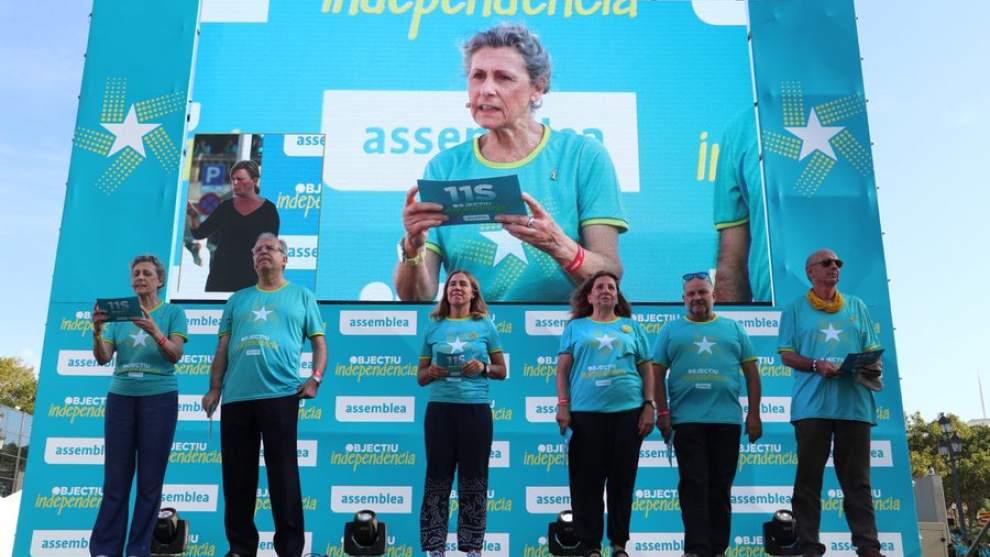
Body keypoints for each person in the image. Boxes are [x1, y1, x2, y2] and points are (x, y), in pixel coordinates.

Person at [395, 22, 627, 303]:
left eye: (503, 78)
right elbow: (417, 297)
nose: (486, 89)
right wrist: (412, 247)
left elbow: (610, 274)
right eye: (478, 76)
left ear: (537, 87)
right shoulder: (444, 167)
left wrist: (561, 247)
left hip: (562, 328)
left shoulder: (582, 156)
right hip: (473, 329)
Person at [201, 233, 327, 557]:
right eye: (257, 249)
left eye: (270, 248)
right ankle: (241, 548)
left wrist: (314, 379)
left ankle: (290, 549)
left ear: (285, 258)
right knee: (237, 477)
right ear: (252, 259)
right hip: (237, 398)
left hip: (280, 395)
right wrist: (215, 387)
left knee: (283, 476)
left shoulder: (302, 296)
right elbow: (222, 347)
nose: (263, 252)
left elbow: (319, 344)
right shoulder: (237, 299)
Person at [778, 249, 884, 557]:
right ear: (810, 272)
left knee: (858, 482)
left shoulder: (857, 306)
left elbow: (872, 349)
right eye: (827, 263)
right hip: (812, 407)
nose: (834, 267)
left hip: (855, 406)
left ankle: (868, 547)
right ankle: (809, 545)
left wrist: (872, 364)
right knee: (808, 480)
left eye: (838, 263)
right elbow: (787, 355)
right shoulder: (794, 308)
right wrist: (815, 364)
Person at [653, 271, 763, 557]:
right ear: (683, 299)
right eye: (691, 294)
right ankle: (696, 548)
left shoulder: (734, 328)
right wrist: (662, 411)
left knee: (720, 486)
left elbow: (752, 372)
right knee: (694, 484)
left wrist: (754, 414)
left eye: (702, 292)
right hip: (686, 421)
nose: (697, 298)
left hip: (727, 420)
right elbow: (656, 373)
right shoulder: (670, 330)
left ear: (714, 296)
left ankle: (717, 548)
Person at [89, 254, 188, 557]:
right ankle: (105, 549)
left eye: (146, 273)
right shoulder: (117, 316)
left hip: (159, 397)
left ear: (160, 280)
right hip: (121, 397)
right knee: (115, 481)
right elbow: (103, 357)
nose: (140, 278)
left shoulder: (173, 312)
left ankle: (138, 550)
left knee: (149, 482)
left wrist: (154, 331)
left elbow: (175, 355)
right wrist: (97, 330)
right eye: (136, 274)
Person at [555, 271, 655, 557]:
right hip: (586, 416)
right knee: (586, 482)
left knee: (622, 481)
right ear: (589, 296)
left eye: (611, 287)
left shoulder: (631, 327)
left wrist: (649, 405)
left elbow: (646, 369)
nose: (606, 291)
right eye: (599, 287)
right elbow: (562, 370)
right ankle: (591, 546)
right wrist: (563, 404)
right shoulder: (575, 328)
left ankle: (619, 544)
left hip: (628, 414)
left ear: (617, 295)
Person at [416, 270, 507, 557]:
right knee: (437, 478)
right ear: (446, 292)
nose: (457, 287)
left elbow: (502, 370)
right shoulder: (433, 327)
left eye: (463, 284)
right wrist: (431, 371)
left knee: (474, 478)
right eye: (452, 284)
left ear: (473, 292)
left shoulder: (485, 326)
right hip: (440, 411)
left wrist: (483, 367)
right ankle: (434, 547)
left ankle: (472, 547)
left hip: (475, 411)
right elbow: (420, 377)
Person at [187, 159, 280, 292]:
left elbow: (270, 246)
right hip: (221, 276)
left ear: (254, 181)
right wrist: (193, 216)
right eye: (233, 179)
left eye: (240, 179)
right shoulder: (225, 207)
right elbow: (199, 233)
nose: (235, 183)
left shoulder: (268, 209)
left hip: (251, 277)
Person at [713, 107, 771, 303]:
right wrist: (728, 321)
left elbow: (732, 267)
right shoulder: (742, 129)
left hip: (856, 311)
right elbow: (731, 268)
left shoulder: (743, 128)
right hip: (775, 313)